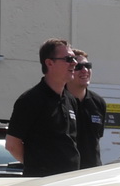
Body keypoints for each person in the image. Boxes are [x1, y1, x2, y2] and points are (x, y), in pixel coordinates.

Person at [5, 38, 80, 177]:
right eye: (69, 59)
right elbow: (12, 144)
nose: (74, 63)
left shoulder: (70, 100)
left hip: (69, 181)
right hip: (43, 183)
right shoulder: (30, 100)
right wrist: (38, 166)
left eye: (74, 58)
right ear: (50, 63)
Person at [67, 50, 107, 169]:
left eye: (87, 66)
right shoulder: (59, 101)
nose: (85, 70)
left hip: (92, 173)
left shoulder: (98, 102)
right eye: (79, 67)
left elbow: (96, 138)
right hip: (65, 175)